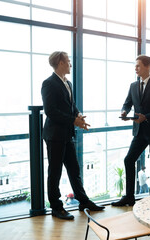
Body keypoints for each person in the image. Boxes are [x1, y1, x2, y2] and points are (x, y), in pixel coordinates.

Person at [41, 51, 104, 220]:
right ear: (60, 63)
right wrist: (73, 121)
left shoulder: (67, 82)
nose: (70, 64)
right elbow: (51, 111)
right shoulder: (48, 83)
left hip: (66, 134)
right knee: (55, 172)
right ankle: (56, 207)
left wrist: (78, 115)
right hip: (55, 135)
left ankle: (83, 201)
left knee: (74, 169)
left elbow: (71, 105)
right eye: (68, 61)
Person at [112, 55, 150, 207]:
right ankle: (129, 197)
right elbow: (127, 103)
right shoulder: (133, 86)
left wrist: (147, 117)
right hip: (139, 131)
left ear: (147, 66)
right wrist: (124, 112)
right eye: (135, 66)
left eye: (138, 66)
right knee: (129, 160)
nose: (135, 68)